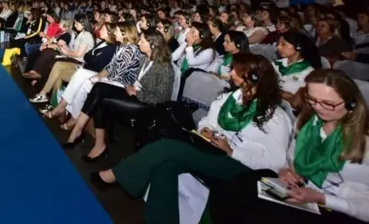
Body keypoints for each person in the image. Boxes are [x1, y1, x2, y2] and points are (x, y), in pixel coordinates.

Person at [92, 53, 292, 224]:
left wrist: (233, 151)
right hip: (212, 152)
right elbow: (208, 121)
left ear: (254, 77)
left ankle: (114, 175)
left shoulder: (275, 117)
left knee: (169, 148)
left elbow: (274, 162)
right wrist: (206, 130)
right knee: (167, 164)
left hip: (243, 169)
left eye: (237, 70)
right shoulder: (228, 99)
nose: (231, 73)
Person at [210, 69, 369, 223]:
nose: (317, 108)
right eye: (312, 100)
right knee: (238, 187)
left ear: (351, 104)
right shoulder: (308, 123)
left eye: (328, 103)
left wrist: (322, 198)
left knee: (267, 216)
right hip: (304, 189)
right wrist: (287, 170)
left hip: (341, 207)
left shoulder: (364, 140)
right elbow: (290, 158)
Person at [77, 29, 175, 161]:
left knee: (101, 95)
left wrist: (137, 92)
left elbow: (161, 99)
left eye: (142, 40)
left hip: (147, 105)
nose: (139, 42)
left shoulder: (164, 67)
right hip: (134, 94)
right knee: (99, 89)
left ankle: (82, 131)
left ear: (152, 45)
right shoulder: (145, 59)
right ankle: (97, 143)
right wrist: (131, 88)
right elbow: (135, 80)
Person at [275, 30, 322, 108]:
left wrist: (275, 93)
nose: (278, 47)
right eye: (278, 43)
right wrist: (284, 95)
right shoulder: (275, 65)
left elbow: (296, 103)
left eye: (283, 44)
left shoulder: (308, 72)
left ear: (298, 47)